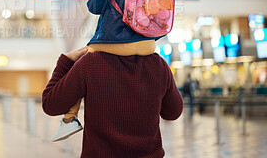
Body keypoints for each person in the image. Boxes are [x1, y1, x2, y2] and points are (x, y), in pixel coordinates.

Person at [50, 0, 165, 142]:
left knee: (80, 60)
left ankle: (69, 119)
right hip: (148, 43)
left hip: (113, 42)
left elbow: (93, 6)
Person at [43, 47, 183, 157]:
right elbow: (173, 112)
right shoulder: (158, 64)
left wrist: (65, 62)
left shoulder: (90, 63)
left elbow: (50, 104)